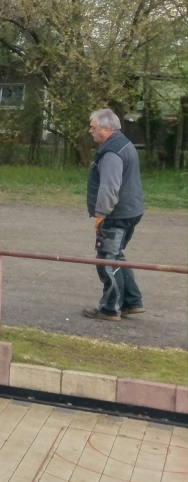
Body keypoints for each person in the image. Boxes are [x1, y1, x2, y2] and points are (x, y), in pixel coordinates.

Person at [83, 108, 145, 322]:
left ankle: (110, 309)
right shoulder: (124, 143)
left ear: (106, 129)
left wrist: (101, 214)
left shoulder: (111, 152)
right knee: (117, 255)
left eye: (93, 128)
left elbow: (109, 187)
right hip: (131, 210)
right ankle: (131, 301)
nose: (90, 131)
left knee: (106, 260)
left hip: (116, 214)